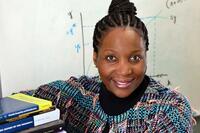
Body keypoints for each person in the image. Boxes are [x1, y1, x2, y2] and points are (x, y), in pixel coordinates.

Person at [32, 0, 194, 132]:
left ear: (145, 56)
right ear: (95, 58)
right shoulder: (78, 94)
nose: (124, 70)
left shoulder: (169, 109)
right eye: (111, 58)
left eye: (135, 57)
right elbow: (16, 105)